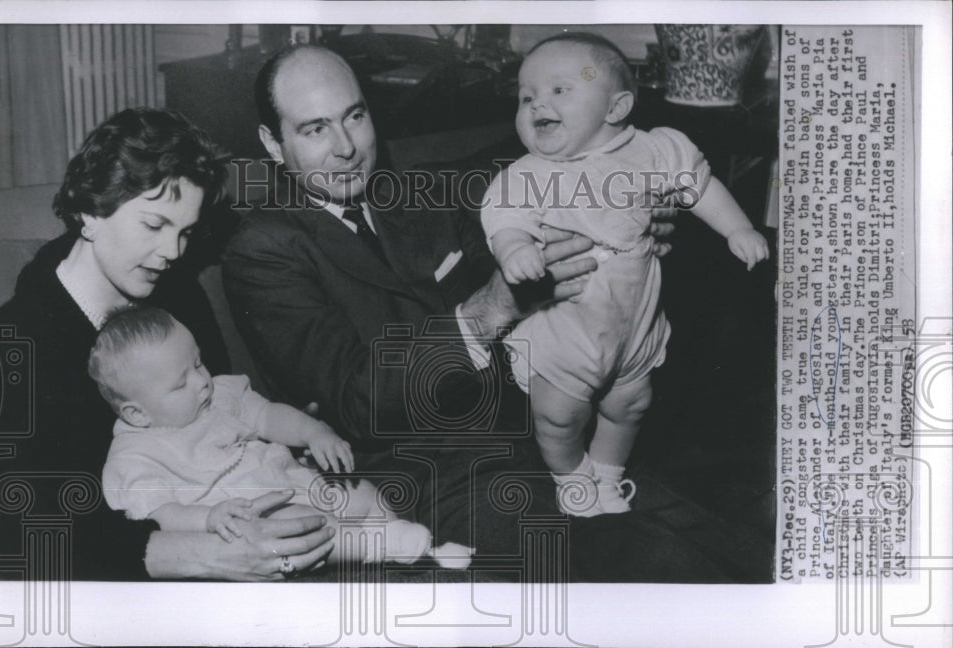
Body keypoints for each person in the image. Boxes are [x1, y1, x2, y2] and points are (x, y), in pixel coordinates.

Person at [222, 44, 738, 581]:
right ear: (272, 145)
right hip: (426, 471)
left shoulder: (421, 194)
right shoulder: (264, 250)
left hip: (550, 421)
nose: (347, 148)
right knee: (613, 575)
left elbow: (543, 167)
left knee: (697, 565)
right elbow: (356, 400)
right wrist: (485, 311)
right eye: (315, 130)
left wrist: (628, 209)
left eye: (355, 116)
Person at [0, 108, 335, 581]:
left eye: (185, 231)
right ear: (90, 210)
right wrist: (209, 554)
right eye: (154, 225)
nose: (173, 252)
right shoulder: (10, 347)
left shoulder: (178, 295)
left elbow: (214, 416)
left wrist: (272, 448)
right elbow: (31, 537)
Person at [480, 33, 770, 517]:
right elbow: (504, 216)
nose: (536, 104)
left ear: (616, 107)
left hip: (634, 329)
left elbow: (700, 186)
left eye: (559, 90)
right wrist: (515, 249)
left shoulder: (656, 151)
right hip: (567, 329)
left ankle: (608, 477)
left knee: (630, 406)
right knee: (558, 417)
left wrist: (737, 227)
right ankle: (572, 479)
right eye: (526, 96)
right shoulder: (529, 173)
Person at [94, 305, 471, 568]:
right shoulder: (136, 456)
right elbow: (159, 515)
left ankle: (413, 548)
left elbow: (268, 415)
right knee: (310, 529)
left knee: (365, 494)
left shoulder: (220, 394)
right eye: (181, 383)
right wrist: (207, 519)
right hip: (257, 517)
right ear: (136, 413)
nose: (201, 381)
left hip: (294, 480)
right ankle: (385, 547)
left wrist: (314, 432)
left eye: (197, 363)